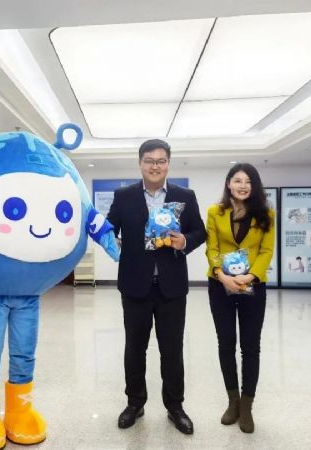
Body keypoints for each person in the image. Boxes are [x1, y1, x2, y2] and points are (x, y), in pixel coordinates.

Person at [107, 139, 206, 435]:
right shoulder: (124, 196)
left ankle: (175, 406)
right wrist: (113, 241)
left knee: (172, 350)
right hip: (135, 285)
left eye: (161, 161)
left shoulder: (184, 196)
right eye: (149, 160)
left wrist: (184, 241)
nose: (155, 166)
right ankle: (135, 403)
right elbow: (110, 227)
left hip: (171, 287)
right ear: (140, 163)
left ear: (168, 164)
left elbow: (199, 231)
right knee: (134, 349)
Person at [205, 163, 275, 433]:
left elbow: (266, 250)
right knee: (225, 344)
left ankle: (247, 406)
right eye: (238, 180)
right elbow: (212, 248)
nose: (243, 186)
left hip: (253, 287)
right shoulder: (215, 212)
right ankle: (232, 401)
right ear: (229, 184)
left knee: (250, 347)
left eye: (248, 181)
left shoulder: (266, 214)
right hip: (219, 286)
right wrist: (220, 274)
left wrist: (251, 276)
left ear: (254, 186)